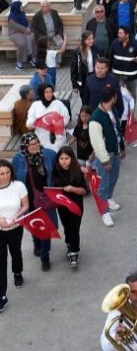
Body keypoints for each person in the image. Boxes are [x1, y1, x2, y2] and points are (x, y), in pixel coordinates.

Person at [11, 133, 57, 271]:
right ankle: (36, 243)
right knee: (34, 224)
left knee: (46, 228)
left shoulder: (49, 154)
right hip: (28, 200)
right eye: (32, 144)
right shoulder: (18, 159)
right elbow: (14, 179)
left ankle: (45, 256)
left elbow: (58, 171)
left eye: (37, 142)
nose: (36, 145)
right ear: (25, 146)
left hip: (45, 199)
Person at [89, 86, 125, 228]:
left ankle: (109, 198)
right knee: (103, 185)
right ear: (113, 98)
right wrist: (104, 161)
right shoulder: (95, 118)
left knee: (113, 179)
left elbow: (117, 130)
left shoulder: (112, 111)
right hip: (105, 157)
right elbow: (97, 143)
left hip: (115, 153)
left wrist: (121, 147)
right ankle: (104, 212)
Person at [51, 146, 87, 267]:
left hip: (76, 206)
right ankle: (69, 244)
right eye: (61, 158)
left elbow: (84, 191)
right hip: (62, 206)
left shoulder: (78, 171)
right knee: (67, 227)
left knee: (74, 228)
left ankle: (74, 253)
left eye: (67, 158)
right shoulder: (55, 171)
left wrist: (72, 189)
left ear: (72, 159)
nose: (64, 161)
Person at [0, 159, 29, 312]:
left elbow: (25, 205)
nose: (5, 176)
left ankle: (17, 272)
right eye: (1, 174)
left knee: (16, 252)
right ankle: (1, 295)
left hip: (16, 227)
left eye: (7, 173)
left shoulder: (19, 186)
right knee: (0, 261)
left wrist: (16, 216)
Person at [26, 84, 70, 152]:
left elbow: (66, 119)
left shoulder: (58, 104)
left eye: (51, 92)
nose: (49, 94)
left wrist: (55, 124)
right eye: (46, 92)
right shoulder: (35, 106)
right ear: (41, 93)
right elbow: (29, 124)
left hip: (58, 142)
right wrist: (38, 123)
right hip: (42, 141)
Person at [110, 26, 137, 102]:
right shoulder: (114, 43)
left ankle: (132, 112)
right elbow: (110, 58)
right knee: (117, 94)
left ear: (127, 35)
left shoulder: (136, 44)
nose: (118, 35)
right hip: (117, 75)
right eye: (118, 33)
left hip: (131, 76)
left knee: (132, 95)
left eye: (121, 33)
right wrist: (109, 73)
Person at [7, 1, 37, 71]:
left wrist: (29, 27)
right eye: (20, 6)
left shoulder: (22, 14)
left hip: (25, 31)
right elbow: (17, 27)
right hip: (15, 33)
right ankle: (19, 61)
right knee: (22, 43)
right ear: (17, 8)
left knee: (32, 38)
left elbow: (27, 22)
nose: (22, 7)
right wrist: (27, 30)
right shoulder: (12, 17)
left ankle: (33, 57)